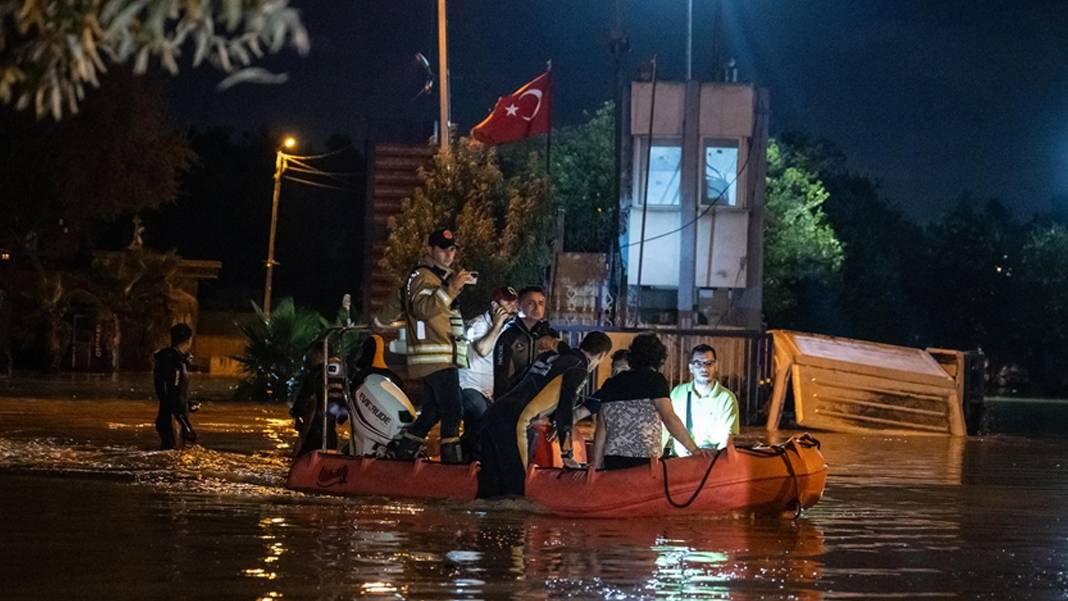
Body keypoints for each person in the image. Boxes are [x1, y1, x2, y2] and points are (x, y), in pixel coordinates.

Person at [477, 331, 612, 499]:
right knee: (515, 488)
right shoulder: (578, 368)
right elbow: (565, 409)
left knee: (489, 486)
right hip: (515, 422)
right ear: (602, 355)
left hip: (493, 413)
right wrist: (567, 454)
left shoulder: (550, 356)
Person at [388, 227, 475, 464]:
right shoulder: (423, 276)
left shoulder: (439, 277)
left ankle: (404, 451)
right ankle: (451, 462)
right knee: (452, 410)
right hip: (435, 358)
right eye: (443, 249)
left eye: (453, 250)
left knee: (433, 410)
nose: (449, 255)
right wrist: (452, 288)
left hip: (440, 356)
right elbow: (422, 309)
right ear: (429, 250)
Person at [591, 332, 713, 470]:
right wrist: (694, 450)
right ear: (659, 358)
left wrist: (596, 464)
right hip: (645, 462)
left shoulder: (610, 384)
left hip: (613, 460)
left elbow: (601, 427)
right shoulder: (656, 381)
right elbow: (669, 418)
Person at [458, 286, 519, 460]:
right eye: (508, 302)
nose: (512, 307)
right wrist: (497, 325)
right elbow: (482, 349)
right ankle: (464, 453)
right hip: (469, 386)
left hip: (490, 391)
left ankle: (473, 459)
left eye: (514, 303)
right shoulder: (478, 324)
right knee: (483, 416)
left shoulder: (508, 328)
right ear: (494, 305)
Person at [667, 343, 740, 455]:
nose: (704, 368)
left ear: (716, 366)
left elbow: (727, 441)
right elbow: (666, 426)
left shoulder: (727, 398)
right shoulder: (678, 393)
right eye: (698, 364)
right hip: (680, 460)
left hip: (710, 460)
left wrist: (715, 460)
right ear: (691, 368)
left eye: (709, 363)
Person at [493, 285, 549, 399]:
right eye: (531, 303)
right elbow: (501, 380)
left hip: (542, 401)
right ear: (518, 305)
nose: (537, 308)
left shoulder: (550, 336)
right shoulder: (508, 337)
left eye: (541, 303)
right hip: (515, 400)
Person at [153, 323, 197, 450]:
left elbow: (170, 390)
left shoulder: (169, 359)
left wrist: (187, 403)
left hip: (170, 416)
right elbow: (172, 393)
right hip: (173, 419)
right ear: (188, 340)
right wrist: (185, 424)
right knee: (174, 455)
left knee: (171, 454)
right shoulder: (174, 362)